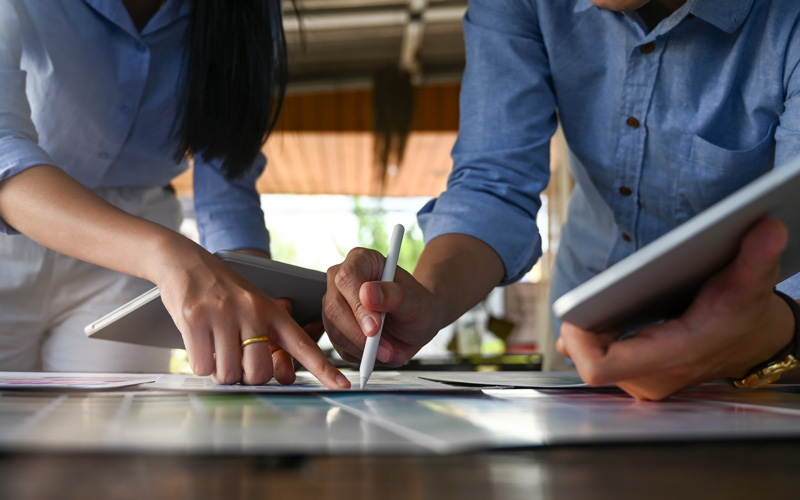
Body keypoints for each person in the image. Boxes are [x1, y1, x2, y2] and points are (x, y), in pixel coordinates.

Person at [322, 0, 800, 400]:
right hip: (578, 348)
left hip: (772, 346)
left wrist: (766, 333)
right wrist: (424, 299)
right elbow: (494, 183)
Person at [0, 0, 349, 389]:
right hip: (47, 240)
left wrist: (256, 299)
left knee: (107, 433)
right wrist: (167, 258)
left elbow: (225, 186)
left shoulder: (245, 12)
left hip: (131, 265)